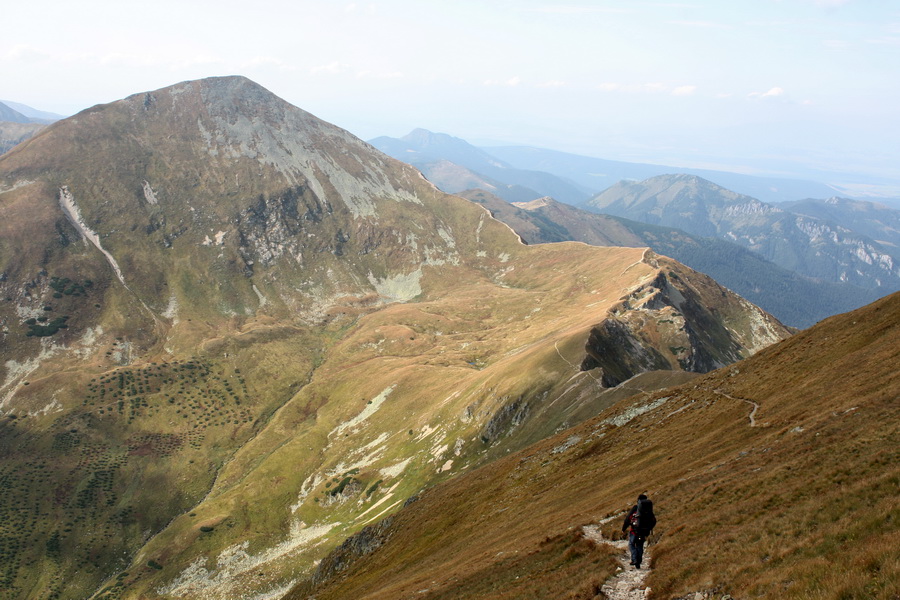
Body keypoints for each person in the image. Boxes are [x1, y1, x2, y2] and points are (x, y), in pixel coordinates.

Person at [622, 493, 656, 569]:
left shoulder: (635, 508)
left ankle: (634, 559)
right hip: (644, 531)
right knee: (640, 545)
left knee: (631, 544)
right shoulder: (649, 510)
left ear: (638, 500)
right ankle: (639, 561)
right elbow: (654, 521)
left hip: (634, 530)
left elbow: (628, 518)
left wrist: (623, 529)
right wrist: (649, 528)